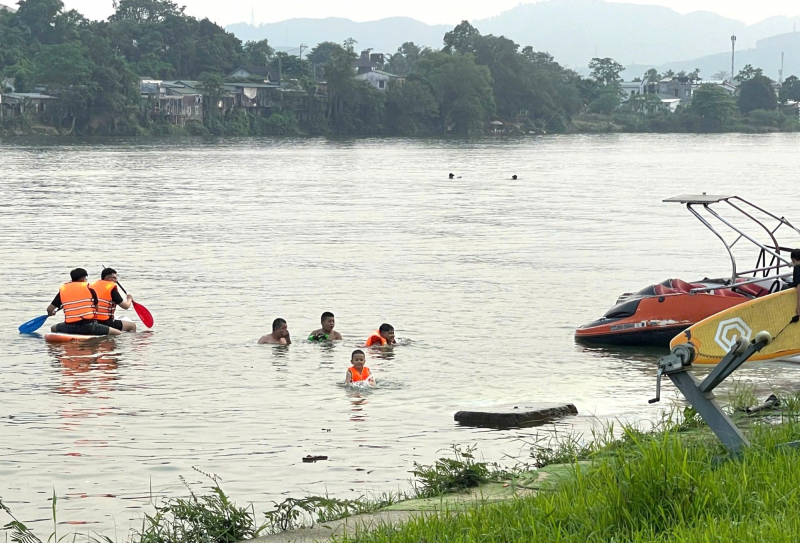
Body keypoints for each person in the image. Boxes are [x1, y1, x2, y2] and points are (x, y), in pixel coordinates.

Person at [47, 268, 121, 336]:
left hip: (69, 327)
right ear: (83, 278)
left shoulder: (63, 290)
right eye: (86, 278)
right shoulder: (90, 289)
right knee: (117, 333)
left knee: (53, 328)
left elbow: (49, 309)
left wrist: (51, 313)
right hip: (89, 327)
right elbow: (96, 309)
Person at [90, 268, 136, 332]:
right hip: (105, 322)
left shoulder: (91, 286)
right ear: (107, 278)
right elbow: (125, 306)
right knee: (132, 326)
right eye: (114, 278)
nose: (116, 280)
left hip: (91, 321)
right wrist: (129, 298)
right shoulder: (111, 288)